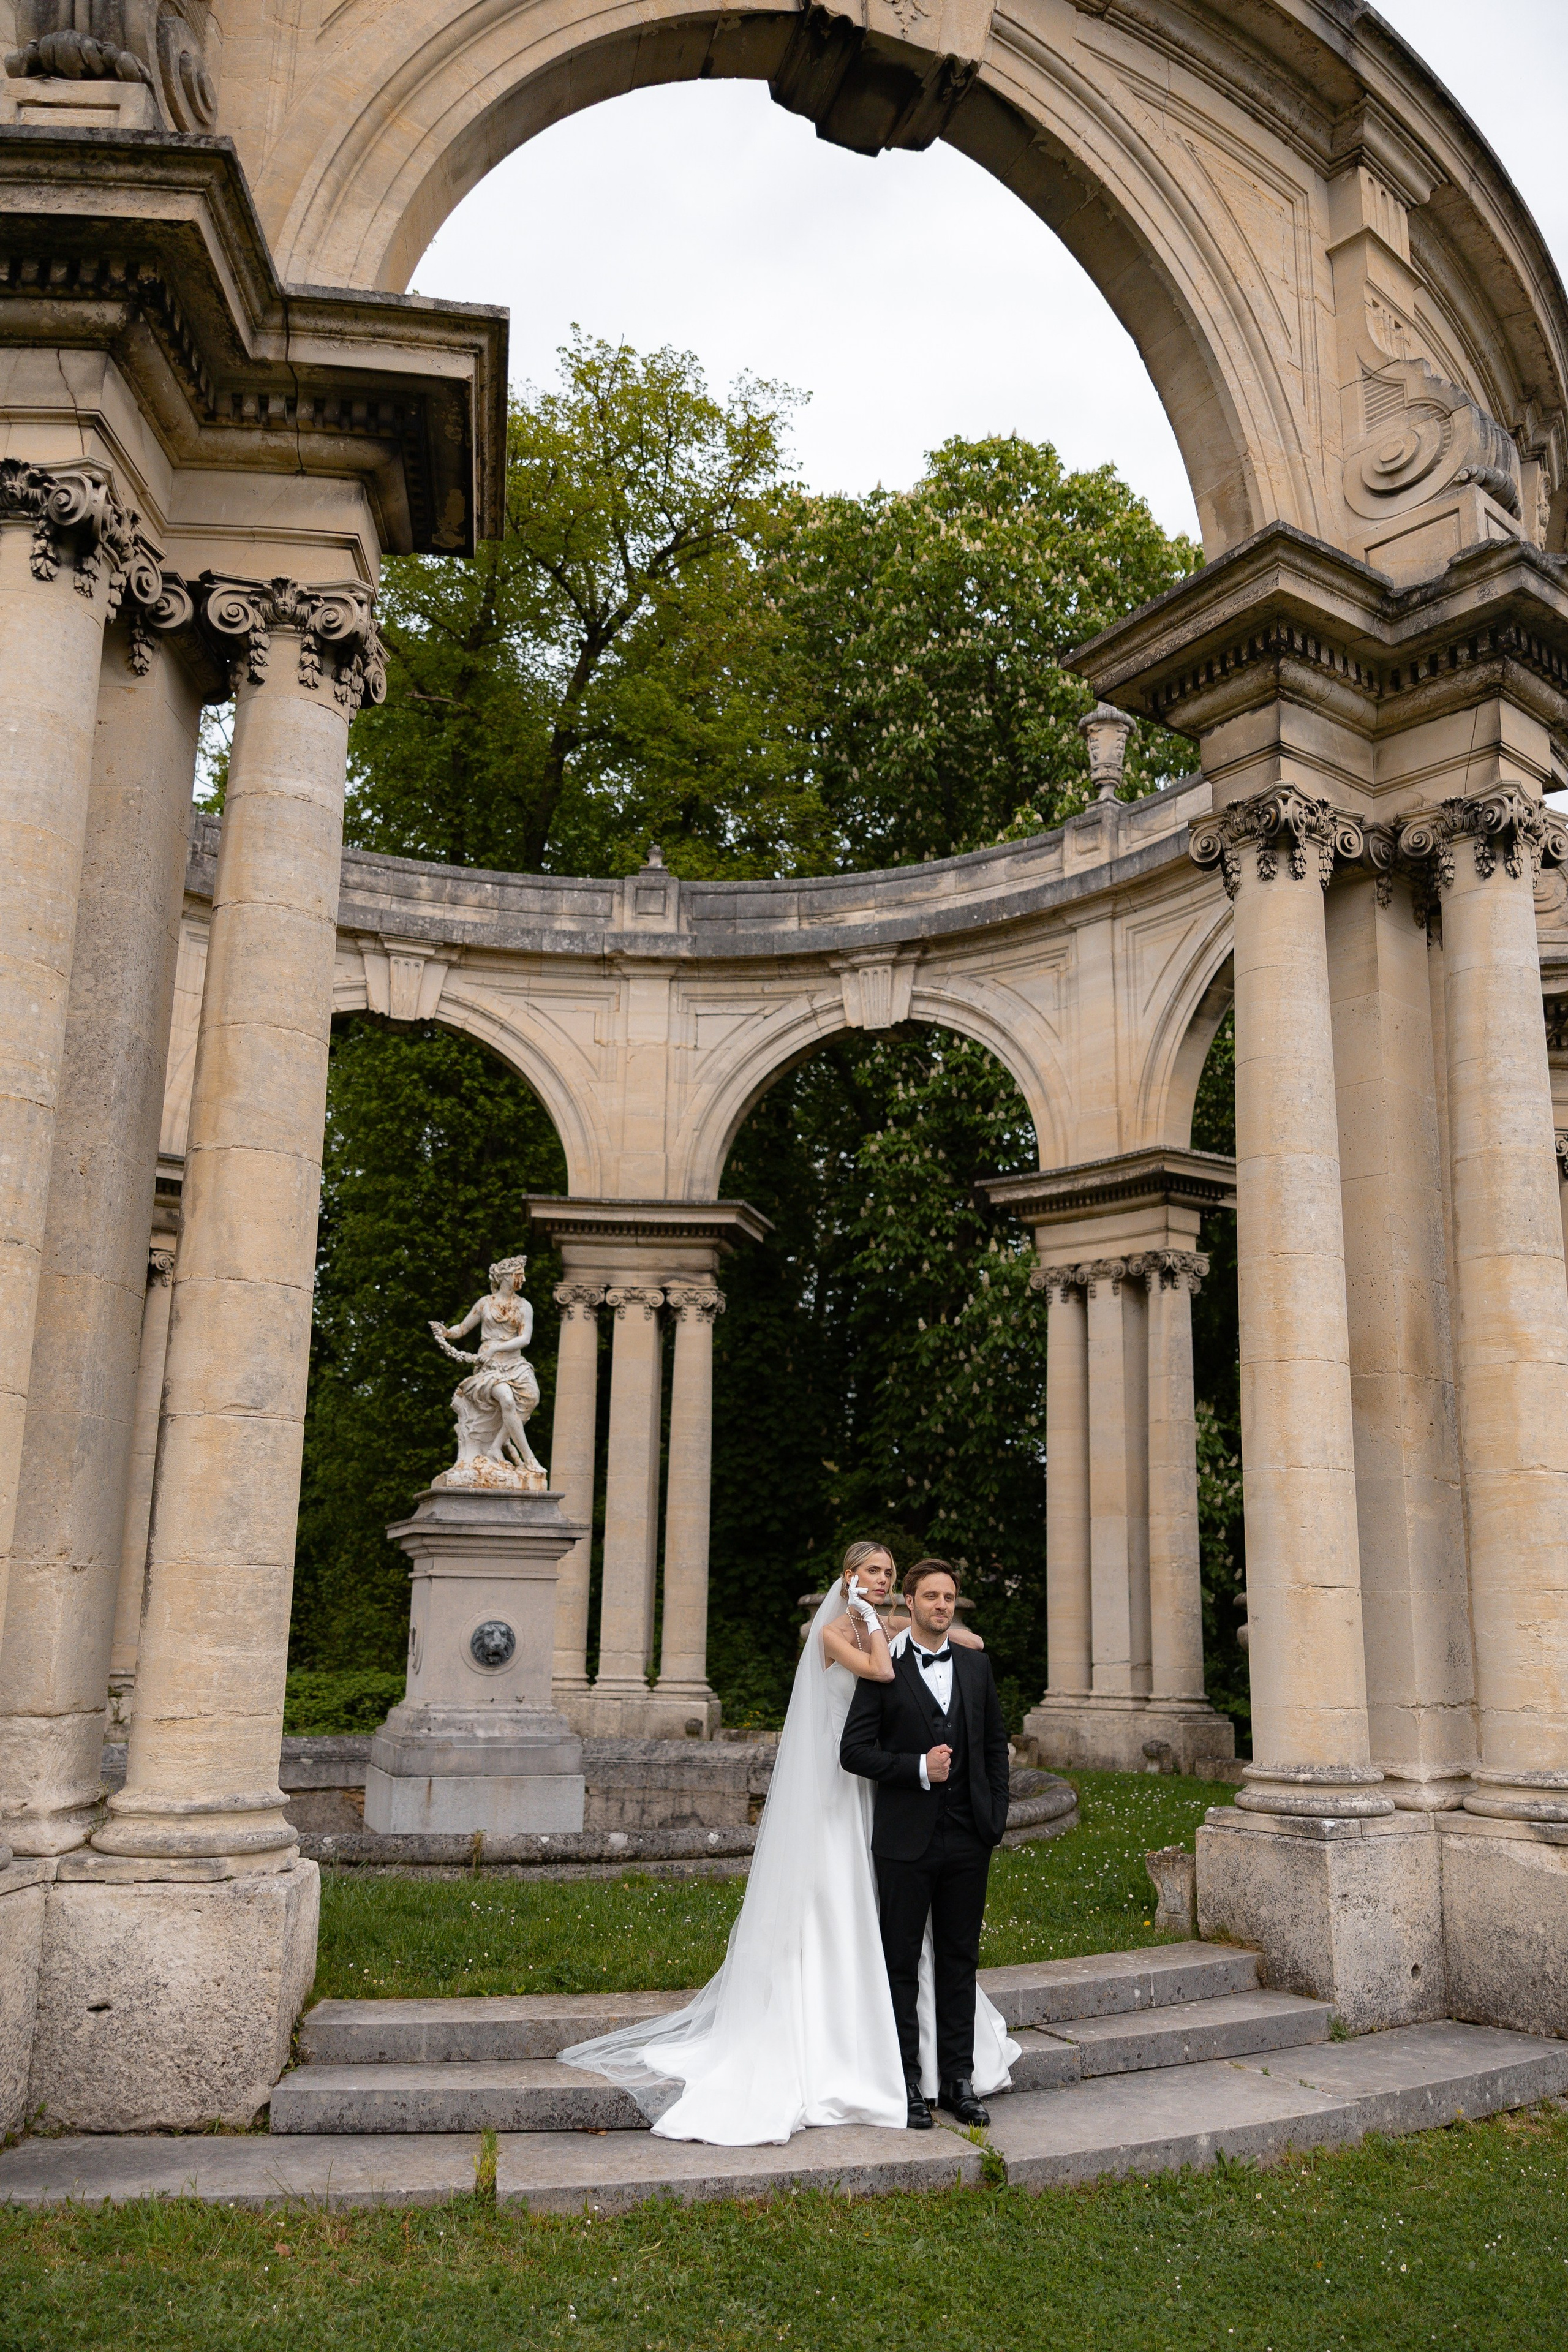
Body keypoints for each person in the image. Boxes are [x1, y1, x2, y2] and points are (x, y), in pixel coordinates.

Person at [558, 1542, 1015, 2144]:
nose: (882, 1579)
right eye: (872, 1572)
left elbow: (965, 1645)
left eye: (888, 1573)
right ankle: (867, 2060)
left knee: (933, 1942)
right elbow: (880, 1673)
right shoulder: (836, 1633)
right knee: (847, 1911)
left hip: (892, 1799)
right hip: (838, 1784)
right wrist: (883, 1623)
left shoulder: (895, 1624)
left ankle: (947, 2072)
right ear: (849, 1578)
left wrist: (925, 1626)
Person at [840, 1557, 1012, 2132]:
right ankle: (907, 2082)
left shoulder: (976, 1666)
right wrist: (917, 1767)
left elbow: (993, 1747)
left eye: (949, 1598)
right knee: (900, 1965)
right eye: (931, 1597)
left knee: (960, 1960)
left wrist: (995, 1819)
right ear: (908, 1603)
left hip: (968, 1839)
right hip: (904, 1842)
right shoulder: (882, 1669)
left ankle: (958, 2082)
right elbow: (854, 1752)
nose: (942, 1605)